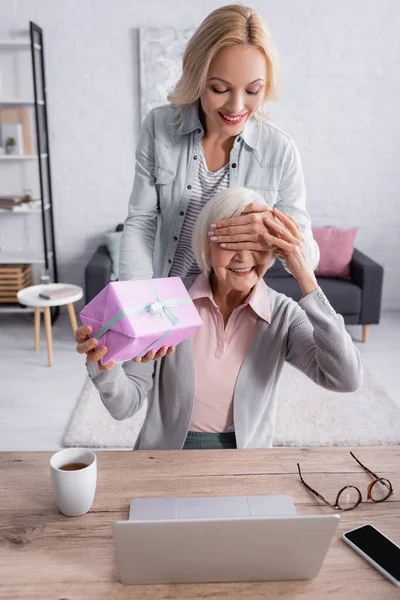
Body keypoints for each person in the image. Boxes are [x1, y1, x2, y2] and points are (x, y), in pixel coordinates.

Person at [76, 188, 362, 450]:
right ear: (207, 245)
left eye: (257, 243)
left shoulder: (283, 315)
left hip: (246, 464)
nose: (243, 256)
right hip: (165, 459)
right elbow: (124, 406)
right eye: (230, 241)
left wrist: (306, 279)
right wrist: (104, 364)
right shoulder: (166, 301)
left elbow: (345, 378)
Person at [119, 4, 320, 283]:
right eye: (220, 88)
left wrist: (271, 231)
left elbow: (308, 257)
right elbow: (141, 223)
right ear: (197, 78)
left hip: (233, 311)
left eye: (253, 90)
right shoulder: (159, 128)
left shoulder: (279, 150)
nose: (236, 106)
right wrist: (136, 301)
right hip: (168, 302)